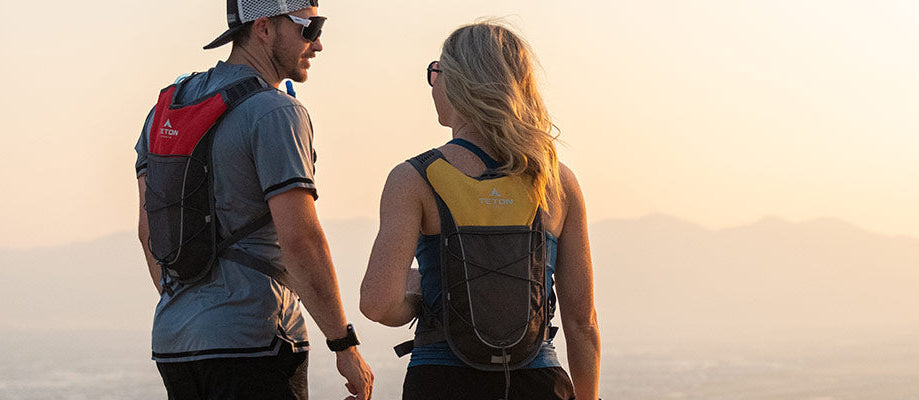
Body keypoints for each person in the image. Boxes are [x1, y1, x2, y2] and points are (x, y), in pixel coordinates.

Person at [133, 1, 373, 399]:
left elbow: (148, 232)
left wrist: (198, 309)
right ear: (263, 28)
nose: (318, 45)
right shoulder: (274, 111)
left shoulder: (167, 107)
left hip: (175, 341)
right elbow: (301, 241)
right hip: (256, 337)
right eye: (309, 29)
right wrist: (343, 344)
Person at [359, 21, 601, 400]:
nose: (433, 83)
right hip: (538, 382)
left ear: (457, 82)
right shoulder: (556, 180)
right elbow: (581, 322)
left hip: (440, 381)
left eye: (435, 72)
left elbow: (377, 304)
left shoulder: (415, 178)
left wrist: (422, 288)